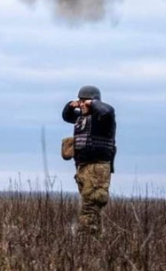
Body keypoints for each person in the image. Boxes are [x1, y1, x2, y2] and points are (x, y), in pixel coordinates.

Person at [62, 85, 116, 236]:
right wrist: (71, 105)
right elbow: (66, 116)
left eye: (85, 101)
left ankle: (85, 241)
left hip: (98, 167)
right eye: (80, 101)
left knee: (90, 206)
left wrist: (92, 103)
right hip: (83, 167)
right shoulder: (82, 118)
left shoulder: (104, 119)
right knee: (88, 205)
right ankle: (95, 241)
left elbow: (107, 110)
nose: (82, 105)